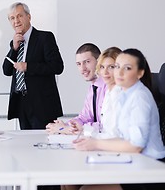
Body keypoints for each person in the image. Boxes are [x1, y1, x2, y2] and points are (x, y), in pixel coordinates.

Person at [71, 48, 165, 190]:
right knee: (73, 179)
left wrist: (96, 143)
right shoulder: (124, 95)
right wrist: (90, 141)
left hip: (149, 169)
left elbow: (135, 145)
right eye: (118, 67)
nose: (119, 73)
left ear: (140, 73)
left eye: (127, 68)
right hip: (133, 161)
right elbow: (119, 136)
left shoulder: (139, 97)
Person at [2, 2, 64, 130]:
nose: (16, 21)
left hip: (43, 105)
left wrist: (28, 67)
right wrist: (14, 48)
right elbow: (6, 70)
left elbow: (57, 67)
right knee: (25, 146)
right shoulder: (15, 43)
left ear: (28, 17)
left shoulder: (45, 38)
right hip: (21, 104)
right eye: (12, 18)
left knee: (43, 145)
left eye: (19, 16)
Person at [46, 43, 107, 134]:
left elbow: (105, 126)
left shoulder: (110, 87)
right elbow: (84, 117)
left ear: (99, 62)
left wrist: (66, 129)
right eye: (79, 64)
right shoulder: (93, 88)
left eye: (87, 62)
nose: (82, 68)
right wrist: (65, 125)